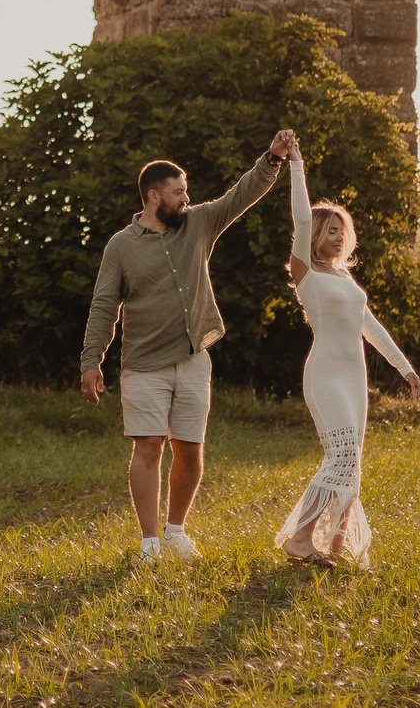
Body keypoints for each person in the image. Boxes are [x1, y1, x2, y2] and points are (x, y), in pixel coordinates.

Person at [79, 130, 294, 564]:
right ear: (153, 196)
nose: (186, 198)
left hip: (194, 359)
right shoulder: (120, 247)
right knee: (148, 447)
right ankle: (149, 543)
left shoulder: (198, 223)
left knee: (191, 449)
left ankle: (175, 532)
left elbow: (239, 196)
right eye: (178, 192)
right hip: (144, 365)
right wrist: (91, 360)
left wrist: (272, 158)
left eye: (186, 191)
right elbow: (103, 306)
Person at [273, 132, 420, 569]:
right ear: (316, 235)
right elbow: (301, 218)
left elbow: (369, 327)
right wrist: (296, 163)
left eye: (343, 231)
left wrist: (405, 368)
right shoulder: (306, 274)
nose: (339, 237)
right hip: (326, 376)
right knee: (341, 455)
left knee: (352, 462)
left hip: (355, 380)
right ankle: (302, 539)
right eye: (331, 230)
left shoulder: (344, 278)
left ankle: (336, 545)